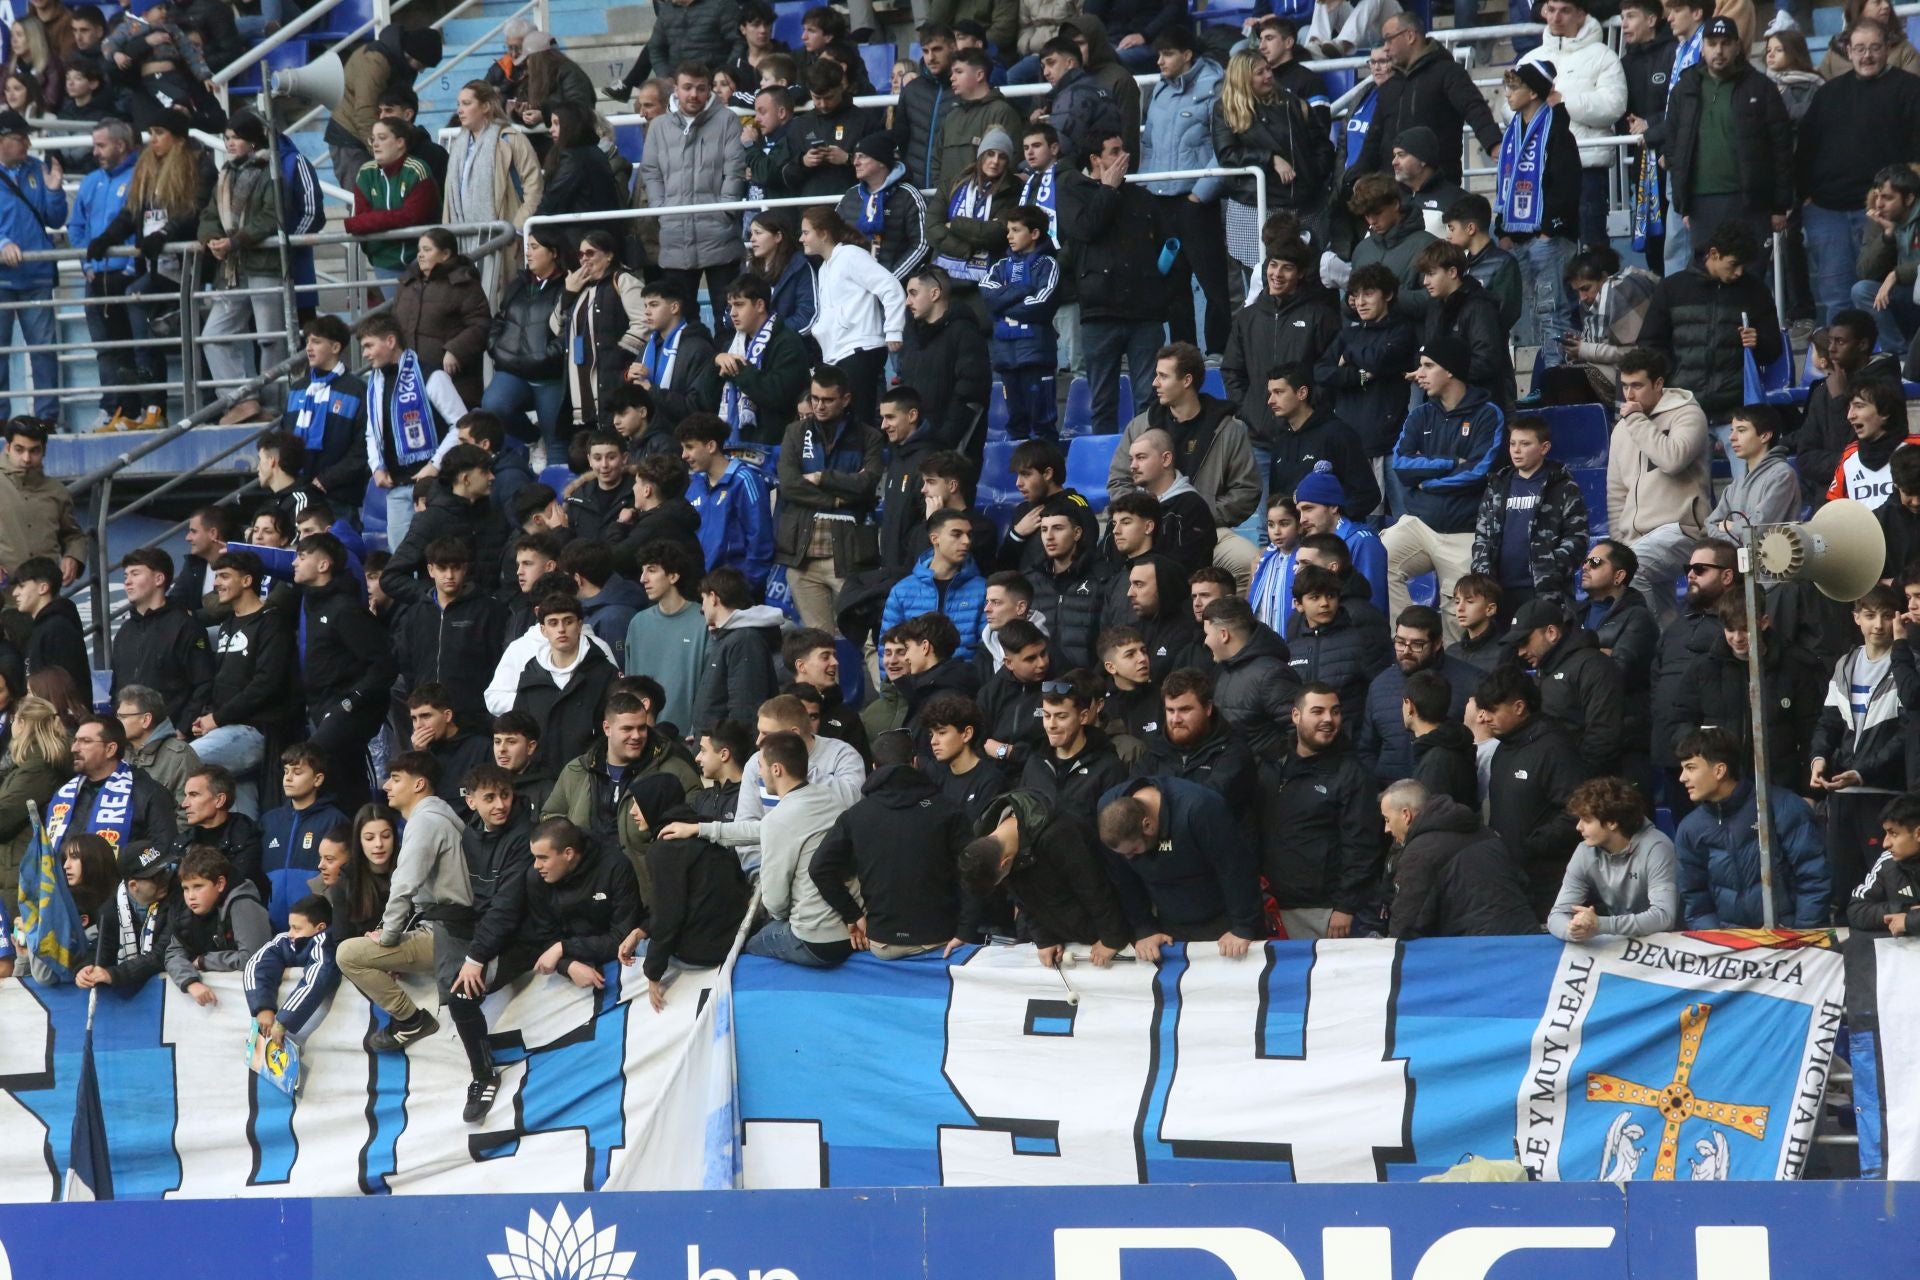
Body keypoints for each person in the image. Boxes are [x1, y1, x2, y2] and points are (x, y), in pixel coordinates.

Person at [1794, 22, 1920, 324]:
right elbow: (1806, 149)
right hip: (1827, 211)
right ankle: (1842, 368)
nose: (1867, 56)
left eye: (1874, 48)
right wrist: (1804, 196)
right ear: (1848, 52)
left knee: (1875, 293)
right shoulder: (1829, 94)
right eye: (1859, 49)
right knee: (1836, 298)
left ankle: (1886, 364)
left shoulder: (1909, 89)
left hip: (1884, 214)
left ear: (1887, 48)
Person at [809, 732, 970, 959]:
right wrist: (967, 930)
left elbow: (818, 868)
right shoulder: (947, 811)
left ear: (874, 767)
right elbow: (973, 872)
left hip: (881, 942)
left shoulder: (855, 816)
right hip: (940, 940)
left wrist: (852, 915)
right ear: (914, 762)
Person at [1381, 339, 1505, 633]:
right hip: (1420, 524)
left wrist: (1426, 483)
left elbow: (1479, 470)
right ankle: (1410, 637)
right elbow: (1401, 466)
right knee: (1378, 556)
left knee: (1460, 618)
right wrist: (1449, 462)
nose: (1419, 374)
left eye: (1427, 366)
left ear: (1449, 371)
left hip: (1465, 530)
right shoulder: (1419, 414)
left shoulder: (1488, 413)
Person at [1665, 15, 1793, 270]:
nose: (1719, 50)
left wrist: (1780, 205)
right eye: (1712, 43)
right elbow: (1674, 144)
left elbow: (1781, 148)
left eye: (1726, 43)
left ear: (1737, 46)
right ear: (1702, 47)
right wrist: (1684, 204)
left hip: (1750, 201)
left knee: (1750, 276)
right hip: (1701, 201)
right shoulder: (1686, 88)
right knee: (1707, 280)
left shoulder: (1760, 87)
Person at [1257, 683, 1381, 938]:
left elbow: (1362, 847)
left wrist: (1346, 906)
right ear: (1296, 715)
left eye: (1335, 712)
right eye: (1318, 711)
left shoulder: (1352, 774)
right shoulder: (1268, 764)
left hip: (1323, 912)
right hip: (1268, 905)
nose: (1328, 719)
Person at [1809, 585, 1907, 906]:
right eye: (1869, 615)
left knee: (1885, 886)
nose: (1879, 624)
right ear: (1856, 619)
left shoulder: (1909, 664)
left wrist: (1862, 773)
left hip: (1886, 795)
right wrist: (1819, 759)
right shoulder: (1844, 664)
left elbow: (1906, 737)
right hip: (1842, 796)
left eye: (1887, 615)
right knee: (1842, 885)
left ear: (1899, 619)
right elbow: (1828, 721)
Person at [1673, 728, 1828, 928]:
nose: (1682, 778)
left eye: (1691, 768)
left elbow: (1814, 877)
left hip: (1790, 944)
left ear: (1720, 770)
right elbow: (1695, 899)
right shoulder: (1690, 828)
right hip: (1731, 951)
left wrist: (1801, 940)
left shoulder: (1783, 807)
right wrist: (1718, 944)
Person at [1097, 774, 1263, 960]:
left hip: (1220, 914)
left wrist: (1243, 926)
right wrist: (1145, 928)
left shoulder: (1200, 808)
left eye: (1134, 850)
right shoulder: (1110, 812)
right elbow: (1123, 879)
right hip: (1168, 918)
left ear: (1148, 825)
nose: (1129, 857)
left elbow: (1235, 868)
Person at [775, 367, 885, 631]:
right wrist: (837, 500)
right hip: (802, 558)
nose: (819, 406)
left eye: (827, 400)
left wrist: (823, 478)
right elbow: (789, 486)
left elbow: (867, 484)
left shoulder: (869, 436)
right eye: (814, 399)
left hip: (850, 557)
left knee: (865, 640)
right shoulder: (795, 432)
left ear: (845, 399)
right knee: (818, 645)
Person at [193, 112, 285, 425]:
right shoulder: (225, 174)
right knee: (213, 335)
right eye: (227, 138)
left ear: (253, 140)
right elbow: (208, 215)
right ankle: (242, 399)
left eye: (236, 137)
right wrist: (211, 239)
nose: (231, 143)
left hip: (263, 266)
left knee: (270, 339)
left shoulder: (271, 170)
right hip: (231, 270)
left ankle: (272, 405)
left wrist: (235, 241)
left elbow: (272, 217)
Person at [1140, 28, 1228, 355]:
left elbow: (1225, 146)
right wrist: (1150, 188)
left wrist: (1200, 193)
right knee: (1173, 284)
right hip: (1161, 202)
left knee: (1213, 282)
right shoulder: (1159, 90)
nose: (1160, 61)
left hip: (1197, 202)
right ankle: (1182, 354)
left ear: (1187, 54)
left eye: (1167, 54)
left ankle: (1219, 352)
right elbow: (1147, 145)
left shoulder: (1216, 87)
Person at [1478, 664, 1586, 917]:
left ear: (1519, 707)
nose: (1484, 718)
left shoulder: (1555, 748)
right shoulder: (1503, 748)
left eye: (1492, 710)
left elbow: (1577, 810)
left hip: (1550, 880)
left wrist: (1533, 845)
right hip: (1510, 876)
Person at [740, 728, 855, 966]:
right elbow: (758, 829)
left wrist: (781, 918)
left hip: (812, 940)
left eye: (760, 766)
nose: (759, 773)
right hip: (849, 928)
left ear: (776, 769)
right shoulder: (830, 798)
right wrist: (705, 830)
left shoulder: (779, 819)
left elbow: (775, 902)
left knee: (746, 947)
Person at [1492, 60, 1583, 361]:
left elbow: (1567, 188)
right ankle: (1531, 383)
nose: (1507, 94)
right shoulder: (1512, 136)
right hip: (1517, 240)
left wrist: (1549, 230)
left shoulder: (1557, 133)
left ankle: (1557, 382)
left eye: (1514, 87)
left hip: (1548, 241)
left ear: (1533, 93)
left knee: (1551, 312)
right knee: (1524, 315)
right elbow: (1506, 187)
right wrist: (1504, 229)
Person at [1354, 11, 1500, 187]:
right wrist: (1356, 177)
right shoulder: (1389, 85)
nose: (1386, 47)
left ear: (1409, 36)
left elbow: (1474, 108)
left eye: (1389, 39)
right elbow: (1373, 138)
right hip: (1392, 191)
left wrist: (1493, 143)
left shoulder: (1448, 72)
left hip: (1438, 187)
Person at [1383, 777, 1539, 940]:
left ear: (1406, 815)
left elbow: (1406, 924)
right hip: (1525, 936)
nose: (1386, 828)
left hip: (1480, 950)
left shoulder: (1419, 853)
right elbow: (1523, 884)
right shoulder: (1483, 831)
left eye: (1387, 819)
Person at [1469, 414, 1588, 612]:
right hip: (1499, 591)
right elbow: (1482, 535)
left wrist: (1550, 568)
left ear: (1544, 448)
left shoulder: (1564, 486)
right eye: (1512, 443)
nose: (1516, 450)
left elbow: (1577, 539)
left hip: (1545, 590)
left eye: (1525, 444)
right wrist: (1484, 576)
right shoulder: (1497, 485)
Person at [444, 80, 544, 302]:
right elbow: (451, 200)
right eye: (458, 104)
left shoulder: (511, 139)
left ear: (486, 106)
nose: (460, 110)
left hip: (503, 239)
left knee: (502, 304)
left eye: (467, 103)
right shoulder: (458, 145)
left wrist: (515, 230)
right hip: (466, 241)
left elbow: (534, 188)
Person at [1547, 776, 1680, 941]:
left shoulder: (1657, 847)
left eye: (1586, 820)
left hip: (1666, 946)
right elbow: (1557, 914)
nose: (1578, 827)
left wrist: (1600, 925)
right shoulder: (1584, 851)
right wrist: (1574, 931)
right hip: (1620, 945)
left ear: (1612, 822)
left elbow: (1664, 917)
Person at [979, 205, 1062, 443]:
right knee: (1016, 422)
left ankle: (1048, 473)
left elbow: (1041, 304)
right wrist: (1022, 290)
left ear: (1034, 234)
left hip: (1036, 354)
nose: (1009, 236)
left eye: (1016, 230)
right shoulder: (1000, 266)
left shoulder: (1047, 265)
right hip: (1006, 357)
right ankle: (1018, 477)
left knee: (1042, 422)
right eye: (1008, 230)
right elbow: (987, 294)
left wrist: (1004, 301)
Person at [0, 109, 63, 422]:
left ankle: (47, 419)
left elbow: (56, 219)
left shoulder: (38, 169)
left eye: (26, 137)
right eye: (17, 137)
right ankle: (0, 421)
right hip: (2, 280)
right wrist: (1, 244)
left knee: (44, 350)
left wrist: (53, 191)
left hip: (36, 276)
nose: (25, 142)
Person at [162, 845, 272, 1005]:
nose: (191, 896)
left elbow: (253, 958)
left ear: (220, 884)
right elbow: (172, 954)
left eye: (198, 886)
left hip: (258, 1001)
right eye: (186, 889)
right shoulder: (188, 912)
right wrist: (190, 982)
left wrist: (204, 961)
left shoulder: (243, 904)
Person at [72, 838, 182, 993]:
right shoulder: (110, 910)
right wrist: (85, 968)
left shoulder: (179, 897)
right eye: (155, 876)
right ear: (133, 886)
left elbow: (161, 953)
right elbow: (103, 947)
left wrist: (114, 974)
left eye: (165, 870)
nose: (165, 878)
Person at [623, 540, 709, 728]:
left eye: (652, 570)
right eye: (643, 570)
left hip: (688, 738)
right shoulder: (638, 623)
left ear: (673, 576)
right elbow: (629, 686)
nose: (643, 578)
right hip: (642, 735)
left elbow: (710, 687)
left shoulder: (703, 621)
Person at [1557, 247, 1660, 402]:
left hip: (1634, 373)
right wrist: (1577, 346)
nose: (1582, 297)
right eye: (1577, 291)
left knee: (1563, 379)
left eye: (1586, 288)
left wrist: (1584, 349)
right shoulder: (1591, 305)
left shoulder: (1621, 291)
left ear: (1604, 278)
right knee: (1553, 377)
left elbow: (1633, 352)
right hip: (1608, 368)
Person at [0, 696, 66, 906]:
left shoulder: (38, 768)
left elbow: (4, 818)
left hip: (20, 869)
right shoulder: (28, 765)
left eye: (14, 719)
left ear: (22, 723)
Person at [1828, 377, 1920, 510]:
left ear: (1885, 412)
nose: (1850, 415)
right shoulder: (1850, 454)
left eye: (1859, 406)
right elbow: (1833, 508)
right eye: (1849, 408)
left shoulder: (1916, 446)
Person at [114, 683, 196, 817]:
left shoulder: (180, 756)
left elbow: (188, 815)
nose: (117, 722)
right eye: (117, 716)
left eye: (123, 717)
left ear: (146, 720)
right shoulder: (119, 752)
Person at [11, 556, 87, 694]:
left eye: (21, 586)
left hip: (56, 715)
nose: (15, 593)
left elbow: (67, 690)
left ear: (43, 588)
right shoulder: (40, 627)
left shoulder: (59, 629)